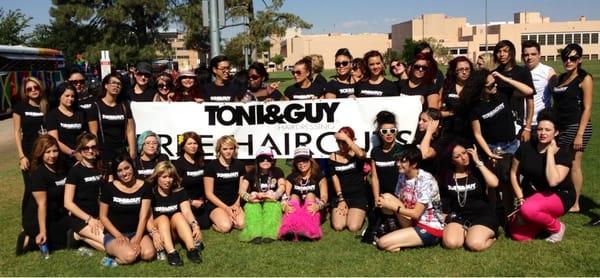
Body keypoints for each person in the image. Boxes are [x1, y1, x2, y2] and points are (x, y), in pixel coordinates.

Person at [509, 111, 574, 243]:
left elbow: (553, 181)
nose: (543, 133)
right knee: (518, 235)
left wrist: (550, 153)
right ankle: (542, 221)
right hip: (534, 196)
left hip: (560, 195)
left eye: (548, 130)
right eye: (540, 129)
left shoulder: (563, 153)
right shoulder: (526, 147)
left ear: (556, 132)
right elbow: (513, 172)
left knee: (528, 209)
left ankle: (557, 227)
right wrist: (520, 198)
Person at [376, 145, 445, 252]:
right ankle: (399, 234)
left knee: (382, 243)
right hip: (412, 222)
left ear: (414, 164)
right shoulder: (402, 175)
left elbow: (416, 213)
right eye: (398, 161)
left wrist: (393, 207)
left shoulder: (426, 180)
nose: (398, 164)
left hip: (429, 227)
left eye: (403, 162)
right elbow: (401, 201)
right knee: (386, 197)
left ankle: (406, 240)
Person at [471, 71, 519, 221]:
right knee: (492, 184)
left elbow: (528, 91)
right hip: (493, 148)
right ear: (481, 88)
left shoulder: (502, 94)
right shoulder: (476, 108)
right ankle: (493, 215)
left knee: (509, 182)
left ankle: (509, 215)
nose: (495, 87)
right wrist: (489, 153)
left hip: (512, 145)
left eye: (495, 83)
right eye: (490, 85)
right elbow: (477, 134)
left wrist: (503, 78)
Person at [552, 43, 593, 212]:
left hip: (577, 126)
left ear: (580, 60)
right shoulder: (561, 79)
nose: (568, 61)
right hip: (561, 127)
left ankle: (575, 203)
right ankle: (564, 196)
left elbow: (588, 108)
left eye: (573, 58)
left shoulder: (585, 79)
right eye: (566, 58)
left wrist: (580, 134)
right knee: (560, 160)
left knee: (574, 164)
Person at [439, 141, 499, 252]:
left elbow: (494, 183)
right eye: (457, 156)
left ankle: (490, 237)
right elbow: (445, 201)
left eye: (465, 153)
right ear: (451, 160)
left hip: (482, 216)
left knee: (474, 244)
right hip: (458, 217)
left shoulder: (476, 171)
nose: (463, 157)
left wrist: (478, 162)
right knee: (450, 243)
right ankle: (468, 232)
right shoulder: (447, 177)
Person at [16, 135, 69, 255]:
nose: (52, 155)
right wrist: (43, 231)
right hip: (37, 219)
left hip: (56, 215)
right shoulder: (38, 174)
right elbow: (42, 204)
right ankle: (28, 240)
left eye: (55, 151)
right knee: (62, 242)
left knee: (73, 230)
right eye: (47, 152)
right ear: (40, 153)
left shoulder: (63, 168)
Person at [99, 155, 155, 265]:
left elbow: (144, 216)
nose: (124, 173)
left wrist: (137, 239)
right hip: (115, 234)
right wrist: (118, 235)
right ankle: (118, 257)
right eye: (119, 170)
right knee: (130, 256)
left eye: (127, 168)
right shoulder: (108, 188)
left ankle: (127, 251)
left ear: (133, 167)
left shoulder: (146, 186)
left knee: (149, 254)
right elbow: (103, 216)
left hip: (137, 231)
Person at [147, 161, 203, 266]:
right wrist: (153, 233)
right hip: (158, 231)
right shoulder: (150, 193)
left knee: (178, 215)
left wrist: (195, 226)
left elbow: (187, 212)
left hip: (174, 231)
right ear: (157, 177)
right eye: (164, 177)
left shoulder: (179, 191)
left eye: (171, 177)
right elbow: (147, 219)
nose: (168, 180)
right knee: (163, 218)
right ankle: (172, 253)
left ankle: (192, 250)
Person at [362, 110, 406, 243]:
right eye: (384, 131)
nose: (388, 134)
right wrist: (376, 198)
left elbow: (406, 176)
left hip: (399, 196)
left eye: (392, 131)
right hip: (382, 196)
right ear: (379, 133)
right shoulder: (375, 151)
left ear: (396, 131)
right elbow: (374, 177)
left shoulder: (401, 149)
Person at [63, 133, 105, 251]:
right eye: (86, 148)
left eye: (93, 147)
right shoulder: (75, 172)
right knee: (109, 245)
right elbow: (67, 203)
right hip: (81, 218)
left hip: (99, 217)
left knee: (112, 242)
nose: (90, 150)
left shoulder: (102, 167)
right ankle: (77, 234)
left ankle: (81, 236)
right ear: (80, 150)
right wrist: (89, 219)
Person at [279, 146, 328, 241]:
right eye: (298, 161)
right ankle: (290, 230)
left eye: (304, 160)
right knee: (293, 196)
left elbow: (324, 197)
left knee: (310, 195)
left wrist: (318, 206)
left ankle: (309, 231)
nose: (301, 164)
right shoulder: (291, 177)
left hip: (313, 209)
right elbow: (285, 196)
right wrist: (284, 206)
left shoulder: (319, 176)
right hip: (296, 209)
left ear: (310, 161)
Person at [238, 146, 286, 243]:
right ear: (257, 161)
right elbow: (241, 190)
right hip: (255, 200)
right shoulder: (252, 172)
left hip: (271, 200)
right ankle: (255, 234)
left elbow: (282, 185)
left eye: (268, 159)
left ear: (272, 160)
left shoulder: (277, 171)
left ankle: (270, 233)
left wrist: (275, 195)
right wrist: (249, 197)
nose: (265, 161)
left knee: (272, 206)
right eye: (261, 159)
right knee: (252, 207)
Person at [88, 73, 136, 165]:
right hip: (103, 150)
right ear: (106, 85)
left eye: (119, 84)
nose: (116, 86)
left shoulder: (124, 105)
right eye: (113, 83)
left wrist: (132, 151)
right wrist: (96, 151)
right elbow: (93, 133)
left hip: (121, 150)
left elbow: (130, 130)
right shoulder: (96, 106)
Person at [492, 40, 535, 142]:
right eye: (499, 51)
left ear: (511, 53)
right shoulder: (494, 74)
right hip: (499, 122)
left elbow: (530, 100)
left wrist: (528, 127)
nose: (502, 54)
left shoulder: (522, 72)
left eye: (505, 51)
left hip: (517, 123)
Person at [329, 127, 369, 232]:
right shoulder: (333, 156)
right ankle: (344, 210)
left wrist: (347, 139)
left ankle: (359, 213)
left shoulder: (358, 152)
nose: (341, 145)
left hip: (358, 196)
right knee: (339, 226)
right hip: (341, 195)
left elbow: (361, 155)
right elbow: (335, 178)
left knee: (353, 227)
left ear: (351, 140)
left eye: (344, 142)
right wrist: (341, 199)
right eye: (339, 142)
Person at [204, 135, 246, 233]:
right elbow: (209, 194)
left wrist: (237, 204)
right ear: (219, 150)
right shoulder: (211, 166)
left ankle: (229, 217)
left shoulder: (239, 165)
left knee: (242, 224)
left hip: (234, 203)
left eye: (231, 148)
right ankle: (217, 222)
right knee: (226, 227)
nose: (228, 151)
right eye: (225, 149)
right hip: (216, 204)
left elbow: (242, 189)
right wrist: (226, 208)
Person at [13, 76, 48, 185]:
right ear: (25, 92)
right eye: (29, 89)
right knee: (31, 189)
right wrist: (22, 157)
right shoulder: (20, 107)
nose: (33, 90)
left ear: (40, 88)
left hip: (47, 153)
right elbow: (17, 132)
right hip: (29, 154)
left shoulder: (47, 106)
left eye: (36, 87)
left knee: (46, 187)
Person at [171, 132, 210, 229]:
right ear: (183, 146)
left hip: (201, 203)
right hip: (185, 203)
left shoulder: (202, 162)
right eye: (189, 144)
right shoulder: (177, 164)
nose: (193, 146)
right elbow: (174, 190)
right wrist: (191, 202)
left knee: (205, 224)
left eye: (195, 143)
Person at [46, 83, 87, 167]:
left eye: (72, 96)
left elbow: (85, 135)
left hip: (81, 157)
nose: (70, 98)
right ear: (59, 96)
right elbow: (54, 140)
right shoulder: (52, 115)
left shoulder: (81, 113)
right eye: (67, 96)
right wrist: (73, 153)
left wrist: (82, 153)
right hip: (62, 159)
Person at [522, 40, 556, 135]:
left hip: (540, 123)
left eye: (533, 54)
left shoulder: (547, 71)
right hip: (521, 123)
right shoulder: (519, 71)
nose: (529, 57)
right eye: (526, 55)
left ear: (539, 55)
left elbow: (557, 94)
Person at [441, 56, 477, 140]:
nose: (464, 72)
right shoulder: (447, 86)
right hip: (449, 131)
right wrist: (451, 113)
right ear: (454, 71)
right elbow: (439, 109)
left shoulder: (475, 87)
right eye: (460, 69)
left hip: (470, 131)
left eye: (467, 69)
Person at [412, 108, 442, 175]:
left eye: (424, 121)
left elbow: (424, 154)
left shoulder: (440, 141)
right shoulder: (418, 138)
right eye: (420, 119)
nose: (420, 122)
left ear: (435, 123)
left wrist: (429, 131)